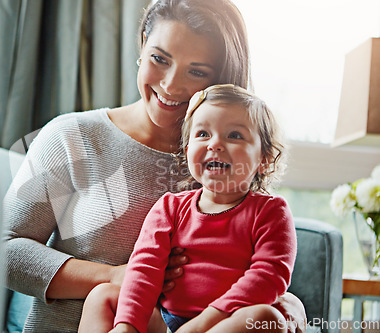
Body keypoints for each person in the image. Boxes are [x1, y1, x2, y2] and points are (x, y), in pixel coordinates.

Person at [3, 0, 307, 332]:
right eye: (159, 59)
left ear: (220, 79)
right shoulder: (70, 136)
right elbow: (2, 251)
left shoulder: (224, 160)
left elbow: (260, 267)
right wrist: (119, 276)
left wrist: (289, 307)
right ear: (142, 44)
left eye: (197, 71)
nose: (171, 85)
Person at [78, 84, 297, 333]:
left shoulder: (271, 211)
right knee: (102, 296)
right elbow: (144, 269)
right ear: (187, 149)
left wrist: (201, 325)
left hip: (224, 323)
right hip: (165, 319)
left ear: (264, 160)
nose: (215, 144)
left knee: (266, 318)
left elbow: (269, 276)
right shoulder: (170, 207)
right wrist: (127, 326)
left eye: (234, 135)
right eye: (203, 134)